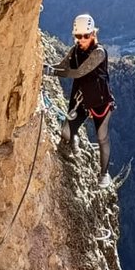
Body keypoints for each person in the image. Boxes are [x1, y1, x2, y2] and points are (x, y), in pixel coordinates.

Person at [52, 13, 115, 187]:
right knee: (66, 132)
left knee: (102, 137)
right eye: (78, 36)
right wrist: (47, 68)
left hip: (101, 101)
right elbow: (62, 66)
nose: (81, 39)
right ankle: (74, 139)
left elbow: (78, 72)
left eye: (85, 36)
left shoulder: (99, 53)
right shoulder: (75, 51)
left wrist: (53, 72)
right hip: (81, 99)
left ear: (93, 34)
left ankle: (104, 174)